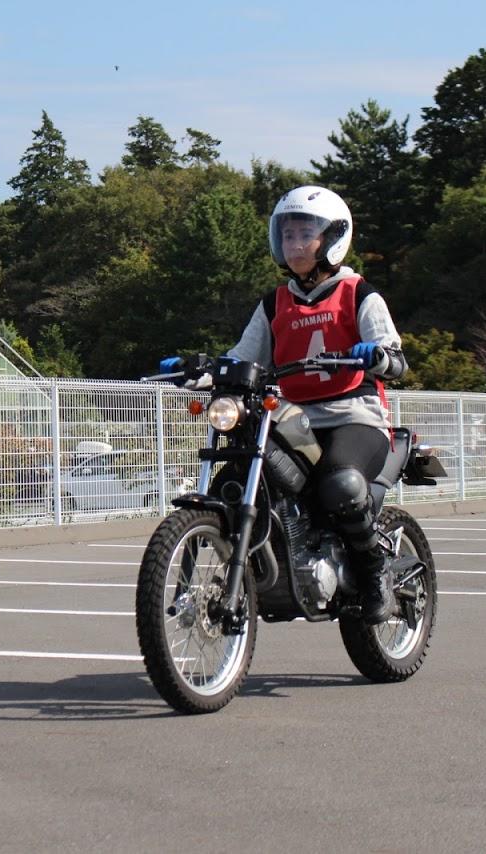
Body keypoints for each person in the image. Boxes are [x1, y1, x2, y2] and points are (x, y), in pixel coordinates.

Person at [163, 186, 408, 624]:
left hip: (354, 415)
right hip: (293, 417)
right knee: (232, 480)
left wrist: (380, 355)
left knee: (342, 485)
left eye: (306, 234)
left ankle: (375, 576)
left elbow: (393, 353)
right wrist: (199, 369)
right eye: (288, 233)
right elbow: (242, 357)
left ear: (333, 238)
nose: (295, 243)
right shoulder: (274, 302)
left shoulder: (358, 292)